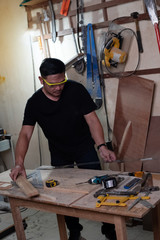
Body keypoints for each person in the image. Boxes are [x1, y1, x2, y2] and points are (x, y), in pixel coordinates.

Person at [10, 58, 117, 240]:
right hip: (59, 151)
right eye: (53, 84)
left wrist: (101, 146)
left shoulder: (76, 90)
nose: (58, 87)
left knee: (98, 188)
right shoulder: (34, 103)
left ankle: (109, 230)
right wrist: (19, 163)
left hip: (84, 147)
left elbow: (92, 119)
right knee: (62, 195)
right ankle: (75, 232)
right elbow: (25, 134)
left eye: (61, 82)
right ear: (41, 79)